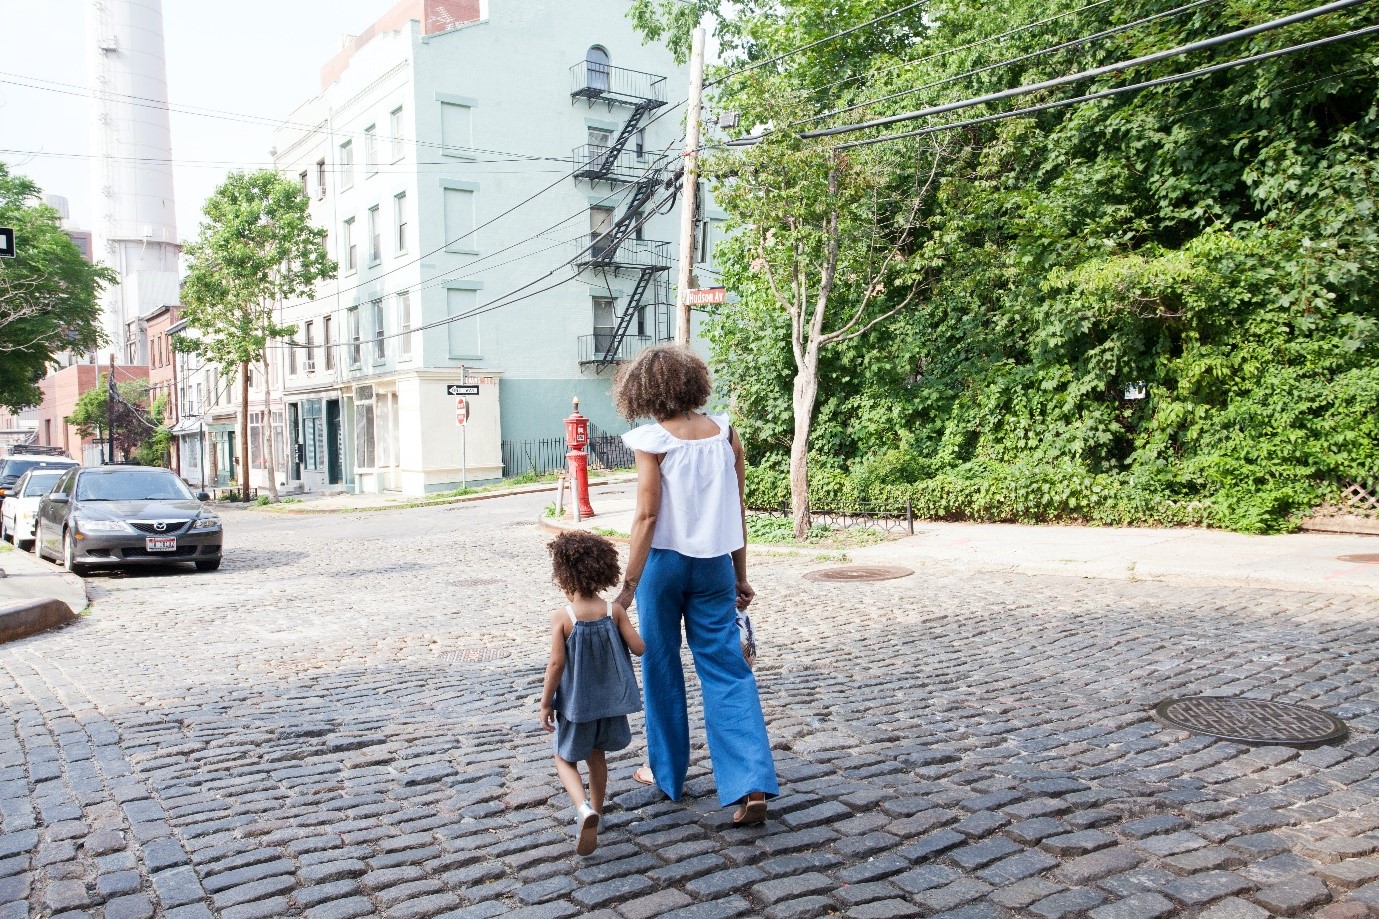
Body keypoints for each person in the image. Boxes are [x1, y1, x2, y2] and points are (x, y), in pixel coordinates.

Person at [613, 344, 779, 826]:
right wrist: (741, 573)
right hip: (714, 567)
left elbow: (647, 514)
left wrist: (627, 588)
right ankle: (749, 782)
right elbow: (737, 506)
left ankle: (667, 774)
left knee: (661, 666)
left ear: (643, 390)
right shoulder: (724, 432)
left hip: (664, 566)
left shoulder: (651, 439)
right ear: (693, 384)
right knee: (727, 670)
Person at [540, 531, 646, 855]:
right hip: (609, 706)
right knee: (596, 756)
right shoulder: (614, 612)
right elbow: (639, 648)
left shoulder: (563, 617)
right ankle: (597, 811)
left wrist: (546, 703)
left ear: (564, 577)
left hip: (576, 707)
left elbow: (557, 663)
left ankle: (582, 807)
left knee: (563, 757)